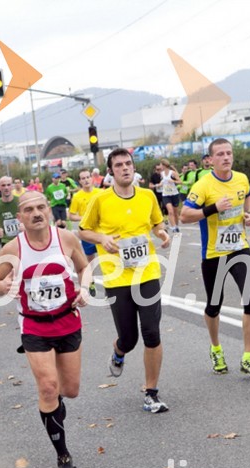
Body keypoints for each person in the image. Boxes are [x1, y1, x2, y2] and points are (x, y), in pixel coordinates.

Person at [0, 191, 91, 468]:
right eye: (29, 209)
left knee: (69, 390)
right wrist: (2, 286)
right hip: (34, 326)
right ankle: (63, 455)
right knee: (47, 387)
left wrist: (85, 288)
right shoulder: (13, 248)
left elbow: (84, 268)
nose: (36, 213)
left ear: (48, 210)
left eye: (41, 207)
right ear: (19, 217)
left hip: (67, 321)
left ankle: (55, 405)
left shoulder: (65, 239)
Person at [79, 148, 171, 413]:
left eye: (128, 163)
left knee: (152, 333)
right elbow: (83, 231)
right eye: (118, 165)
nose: (125, 168)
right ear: (111, 171)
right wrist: (102, 238)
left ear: (134, 167)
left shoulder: (147, 196)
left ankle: (151, 393)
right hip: (116, 277)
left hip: (147, 272)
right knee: (129, 339)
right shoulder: (100, 200)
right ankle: (119, 351)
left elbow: (156, 223)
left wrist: (162, 234)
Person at [180, 138, 250, 379]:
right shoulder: (203, 185)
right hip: (214, 254)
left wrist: (249, 213)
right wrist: (212, 208)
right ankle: (216, 348)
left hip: (240, 249)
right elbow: (184, 215)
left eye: (229, 153)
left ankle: (248, 356)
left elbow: (249, 194)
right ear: (210, 160)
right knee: (214, 305)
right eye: (220, 154)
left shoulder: (241, 178)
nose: (226, 157)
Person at [68, 169, 101, 296]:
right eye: (83, 178)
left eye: (88, 177)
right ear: (80, 181)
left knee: (107, 258)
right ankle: (91, 282)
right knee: (90, 260)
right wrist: (84, 218)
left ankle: (112, 286)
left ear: (92, 178)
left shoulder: (100, 193)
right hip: (86, 233)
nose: (86, 180)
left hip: (101, 232)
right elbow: (71, 216)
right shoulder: (77, 197)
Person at [0, 176, 22, 251]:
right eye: (3, 185)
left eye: (8, 185)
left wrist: (25, 226)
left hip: (22, 239)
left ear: (12, 186)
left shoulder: (20, 201)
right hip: (6, 241)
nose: (6, 187)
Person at [157, 158, 182, 233]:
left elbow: (180, 182)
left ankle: (176, 226)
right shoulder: (161, 174)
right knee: (170, 211)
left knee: (175, 212)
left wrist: (173, 181)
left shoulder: (172, 173)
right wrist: (159, 184)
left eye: (160, 165)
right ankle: (173, 227)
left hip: (174, 194)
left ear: (164, 165)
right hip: (166, 195)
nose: (160, 166)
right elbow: (162, 181)